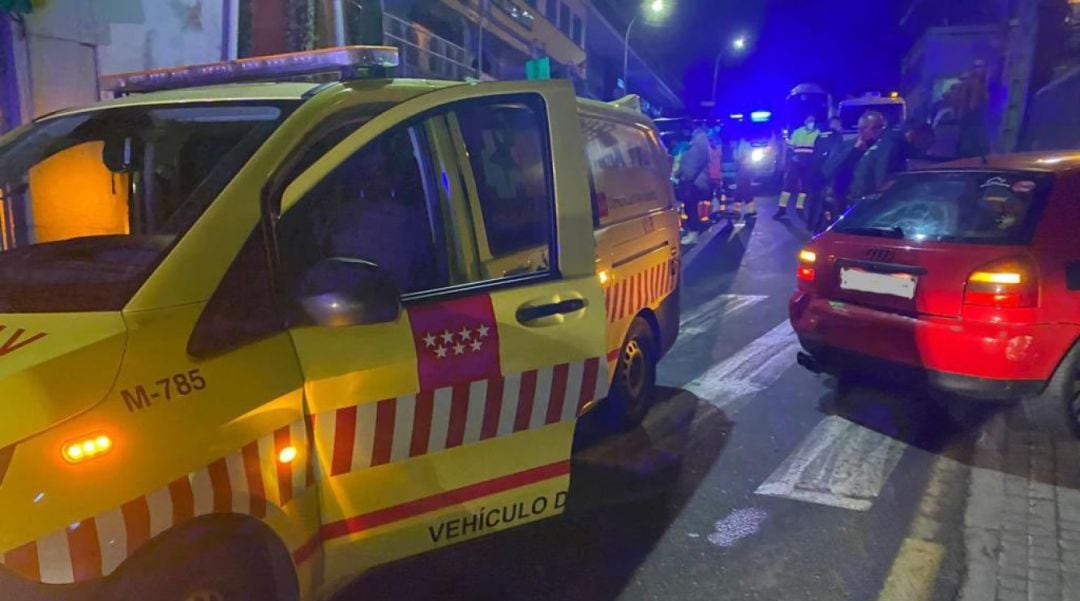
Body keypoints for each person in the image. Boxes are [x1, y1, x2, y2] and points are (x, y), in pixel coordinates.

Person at [823, 111, 904, 214]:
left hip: (878, 205)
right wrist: (855, 151)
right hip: (850, 204)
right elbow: (830, 171)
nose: (882, 131)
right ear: (862, 129)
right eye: (877, 127)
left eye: (883, 127)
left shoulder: (888, 147)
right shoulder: (846, 147)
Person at [775, 114, 820, 219]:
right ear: (805, 122)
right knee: (788, 185)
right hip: (797, 161)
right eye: (809, 120)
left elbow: (818, 148)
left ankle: (800, 207)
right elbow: (790, 147)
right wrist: (792, 157)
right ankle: (782, 209)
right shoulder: (798, 132)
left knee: (805, 186)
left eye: (813, 121)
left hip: (809, 162)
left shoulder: (818, 133)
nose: (811, 123)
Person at [806, 116, 844, 233]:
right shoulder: (836, 136)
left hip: (814, 171)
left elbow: (814, 152)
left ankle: (811, 223)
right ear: (836, 124)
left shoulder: (820, 135)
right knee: (828, 198)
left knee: (814, 198)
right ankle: (826, 224)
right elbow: (836, 155)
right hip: (827, 171)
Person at [676, 129, 712, 243]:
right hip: (700, 183)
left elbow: (688, 169)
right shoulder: (704, 150)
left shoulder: (695, 151)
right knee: (691, 208)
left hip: (693, 184)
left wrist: (679, 175)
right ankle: (693, 232)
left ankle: (693, 234)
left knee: (690, 208)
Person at [732, 134, 757, 219]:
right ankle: (746, 210)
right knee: (743, 189)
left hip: (743, 168)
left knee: (743, 189)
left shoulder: (742, 144)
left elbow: (738, 157)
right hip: (745, 168)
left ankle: (741, 210)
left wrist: (735, 151)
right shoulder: (746, 144)